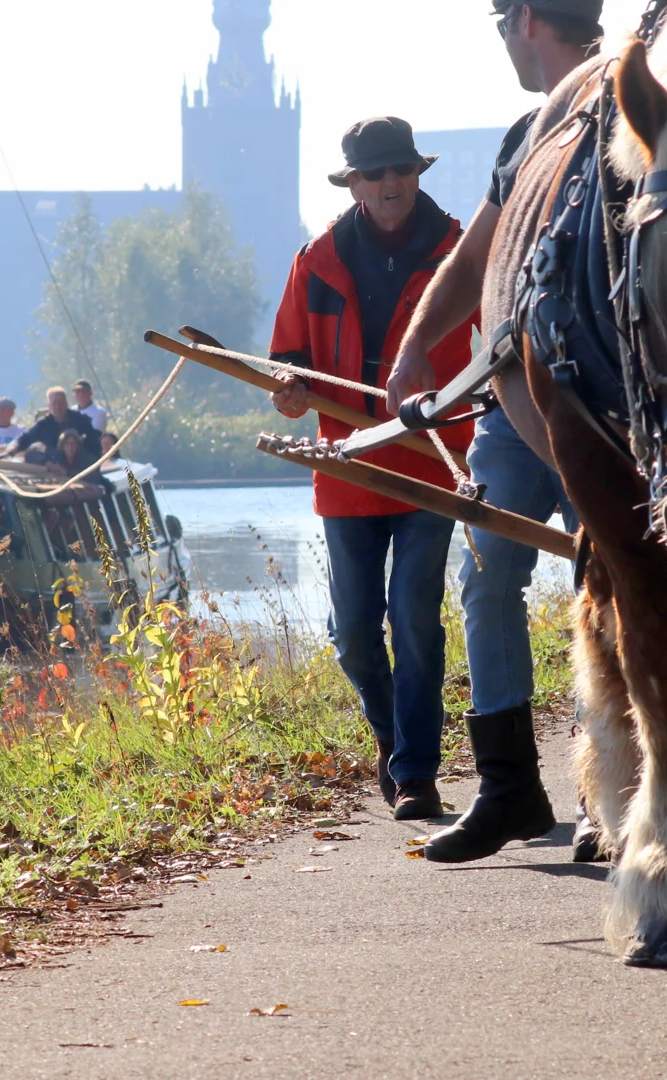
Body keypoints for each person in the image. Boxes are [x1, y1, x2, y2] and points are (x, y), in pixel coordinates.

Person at [387, 0, 604, 863]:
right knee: (485, 582)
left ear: (525, 22)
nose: (501, 39)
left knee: (615, 593)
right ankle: (509, 786)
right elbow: (474, 257)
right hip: (512, 408)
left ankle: (609, 793)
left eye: (499, 21)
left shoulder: (630, 110)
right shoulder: (524, 136)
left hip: (602, 417)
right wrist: (411, 358)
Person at [269, 116, 478, 822]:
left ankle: (417, 772)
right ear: (353, 183)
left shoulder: (458, 255)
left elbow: (494, 357)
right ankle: (392, 739)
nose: (390, 184)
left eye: (401, 170)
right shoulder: (316, 259)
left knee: (415, 617)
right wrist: (292, 392)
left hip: (429, 465)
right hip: (347, 467)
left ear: (418, 173)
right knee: (354, 632)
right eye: (375, 173)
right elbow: (288, 367)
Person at [9, 387, 97, 457]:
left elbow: (94, 440)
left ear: (66, 403)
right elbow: (25, 438)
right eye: (54, 403)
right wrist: (14, 447)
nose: (58, 406)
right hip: (54, 466)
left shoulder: (80, 420)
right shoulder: (43, 424)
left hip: (78, 464)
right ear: (48, 405)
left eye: (61, 403)